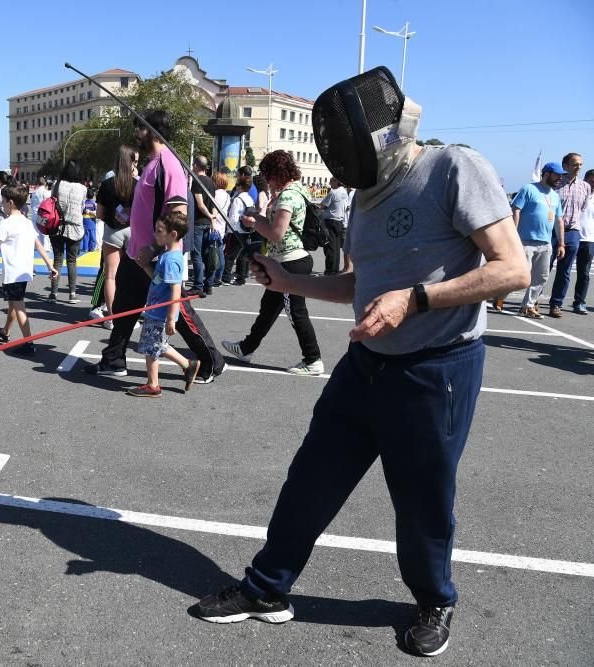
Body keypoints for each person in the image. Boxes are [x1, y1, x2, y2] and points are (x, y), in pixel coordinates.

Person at [191, 67, 530, 658]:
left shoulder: (454, 167)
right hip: (364, 364)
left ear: (385, 133)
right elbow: (357, 283)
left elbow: (513, 269)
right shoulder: (365, 198)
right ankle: (267, 589)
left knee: (423, 498)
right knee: (310, 479)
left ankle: (433, 599)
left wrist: (416, 298)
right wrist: (288, 279)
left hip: (436, 367)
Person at [84, 109, 223, 384]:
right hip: (137, 254)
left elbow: (178, 213)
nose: (136, 133)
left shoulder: (167, 163)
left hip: (154, 257)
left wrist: (158, 251)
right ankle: (113, 360)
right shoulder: (152, 162)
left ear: (154, 131)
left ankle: (211, 361)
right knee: (124, 309)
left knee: (179, 311)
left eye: (140, 128)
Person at [221, 150, 324, 375]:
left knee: (296, 311)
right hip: (289, 260)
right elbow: (275, 224)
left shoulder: (288, 196)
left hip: (290, 261)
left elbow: (276, 233)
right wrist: (257, 218)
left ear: (276, 173)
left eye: (268, 174)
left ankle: (313, 359)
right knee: (268, 309)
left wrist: (253, 224)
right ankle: (247, 348)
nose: (266, 179)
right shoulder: (297, 190)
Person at [0, 183, 58, 355]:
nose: (2, 204)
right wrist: (49, 265)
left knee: (18, 305)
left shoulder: (6, 224)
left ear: (11, 202)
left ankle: (29, 343)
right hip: (25, 271)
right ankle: (6, 331)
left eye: (4, 201)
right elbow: (38, 245)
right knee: (14, 302)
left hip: (13, 271)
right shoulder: (27, 222)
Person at [125, 211, 200, 397]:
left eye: (159, 231)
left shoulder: (172, 259)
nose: (155, 234)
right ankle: (188, 365)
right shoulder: (167, 255)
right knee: (156, 345)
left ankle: (153, 385)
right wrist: (145, 266)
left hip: (160, 313)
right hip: (155, 310)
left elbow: (176, 290)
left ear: (173, 234)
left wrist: (170, 319)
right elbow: (158, 281)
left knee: (151, 348)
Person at [495, 163, 565, 318]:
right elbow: (516, 210)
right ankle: (500, 296)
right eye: (557, 175)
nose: (560, 178)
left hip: (546, 243)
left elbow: (559, 220)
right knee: (519, 276)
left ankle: (527, 306)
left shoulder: (555, 196)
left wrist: (561, 243)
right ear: (546, 174)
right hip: (525, 242)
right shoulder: (528, 189)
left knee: (541, 277)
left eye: (561, 175)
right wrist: (512, 235)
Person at [90, 147, 139, 328]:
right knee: (131, 277)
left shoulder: (107, 184)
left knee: (110, 276)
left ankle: (111, 317)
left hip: (113, 231)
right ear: (132, 163)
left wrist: (114, 216)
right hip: (133, 231)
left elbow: (99, 214)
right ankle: (130, 317)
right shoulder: (137, 184)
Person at [548, 153, 591, 317]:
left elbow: (583, 208)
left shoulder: (585, 187)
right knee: (544, 268)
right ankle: (533, 301)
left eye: (580, 164)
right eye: (574, 164)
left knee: (564, 271)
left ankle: (556, 304)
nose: (578, 167)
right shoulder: (556, 184)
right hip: (552, 231)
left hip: (572, 232)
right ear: (565, 166)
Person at [48, 159, 87, 303]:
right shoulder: (82, 188)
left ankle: (53, 293)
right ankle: (72, 293)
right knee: (72, 261)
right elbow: (82, 207)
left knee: (57, 260)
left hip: (57, 226)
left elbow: (51, 202)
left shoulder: (57, 185)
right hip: (75, 227)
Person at [221, 167, 257, 285]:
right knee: (243, 255)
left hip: (236, 230)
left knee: (229, 255)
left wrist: (228, 230)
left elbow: (233, 217)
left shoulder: (237, 199)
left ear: (240, 187)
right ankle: (241, 277)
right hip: (246, 230)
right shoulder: (250, 199)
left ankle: (226, 276)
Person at [189, 155, 217, 296]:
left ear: (195, 165)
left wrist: (208, 215)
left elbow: (200, 204)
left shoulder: (197, 181)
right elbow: (213, 203)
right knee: (208, 254)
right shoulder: (211, 182)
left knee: (197, 255)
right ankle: (209, 285)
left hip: (199, 222)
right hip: (208, 224)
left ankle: (198, 285)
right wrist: (213, 219)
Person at [206, 171, 231, 288]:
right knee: (220, 252)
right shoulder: (227, 195)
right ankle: (218, 277)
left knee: (212, 253)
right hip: (222, 226)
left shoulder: (215, 194)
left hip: (214, 225)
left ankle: (212, 277)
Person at [319, 177, 348, 275]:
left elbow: (322, 206)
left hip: (330, 221)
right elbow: (347, 207)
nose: (330, 183)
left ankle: (330, 270)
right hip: (339, 221)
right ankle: (335, 268)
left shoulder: (333, 193)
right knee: (336, 247)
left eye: (331, 181)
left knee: (329, 247)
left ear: (337, 181)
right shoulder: (344, 192)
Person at [577, 169, 594, 313]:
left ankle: (579, 302)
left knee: (584, 273)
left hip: (589, 239)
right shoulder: (578, 193)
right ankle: (536, 299)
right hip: (571, 235)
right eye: (592, 181)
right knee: (559, 271)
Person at [30, 176, 53, 252]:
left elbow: (32, 203)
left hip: (34, 212)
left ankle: (35, 246)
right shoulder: (46, 192)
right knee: (44, 230)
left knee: (35, 231)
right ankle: (46, 247)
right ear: (45, 183)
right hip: (43, 213)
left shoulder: (34, 192)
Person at [81, 187, 98, 253]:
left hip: (85, 220)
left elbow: (82, 210)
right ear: (93, 195)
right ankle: (92, 248)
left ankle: (85, 248)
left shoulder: (84, 202)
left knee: (85, 235)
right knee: (92, 235)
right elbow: (97, 212)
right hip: (92, 221)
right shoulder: (94, 203)